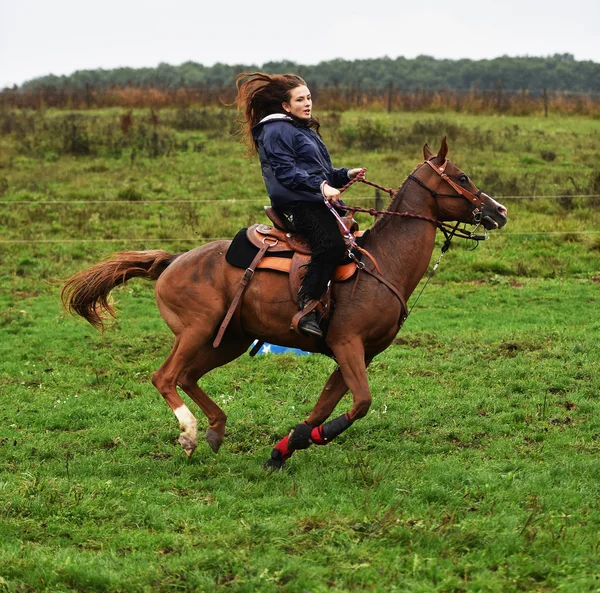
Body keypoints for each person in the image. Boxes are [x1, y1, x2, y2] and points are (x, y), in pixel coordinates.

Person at [235, 72, 365, 338]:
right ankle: (307, 305)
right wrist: (321, 187)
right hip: (300, 205)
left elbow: (320, 171)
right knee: (331, 246)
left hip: (316, 199)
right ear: (285, 106)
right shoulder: (276, 130)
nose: (307, 103)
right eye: (300, 99)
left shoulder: (300, 129)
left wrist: (344, 174)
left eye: (309, 97)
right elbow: (286, 173)